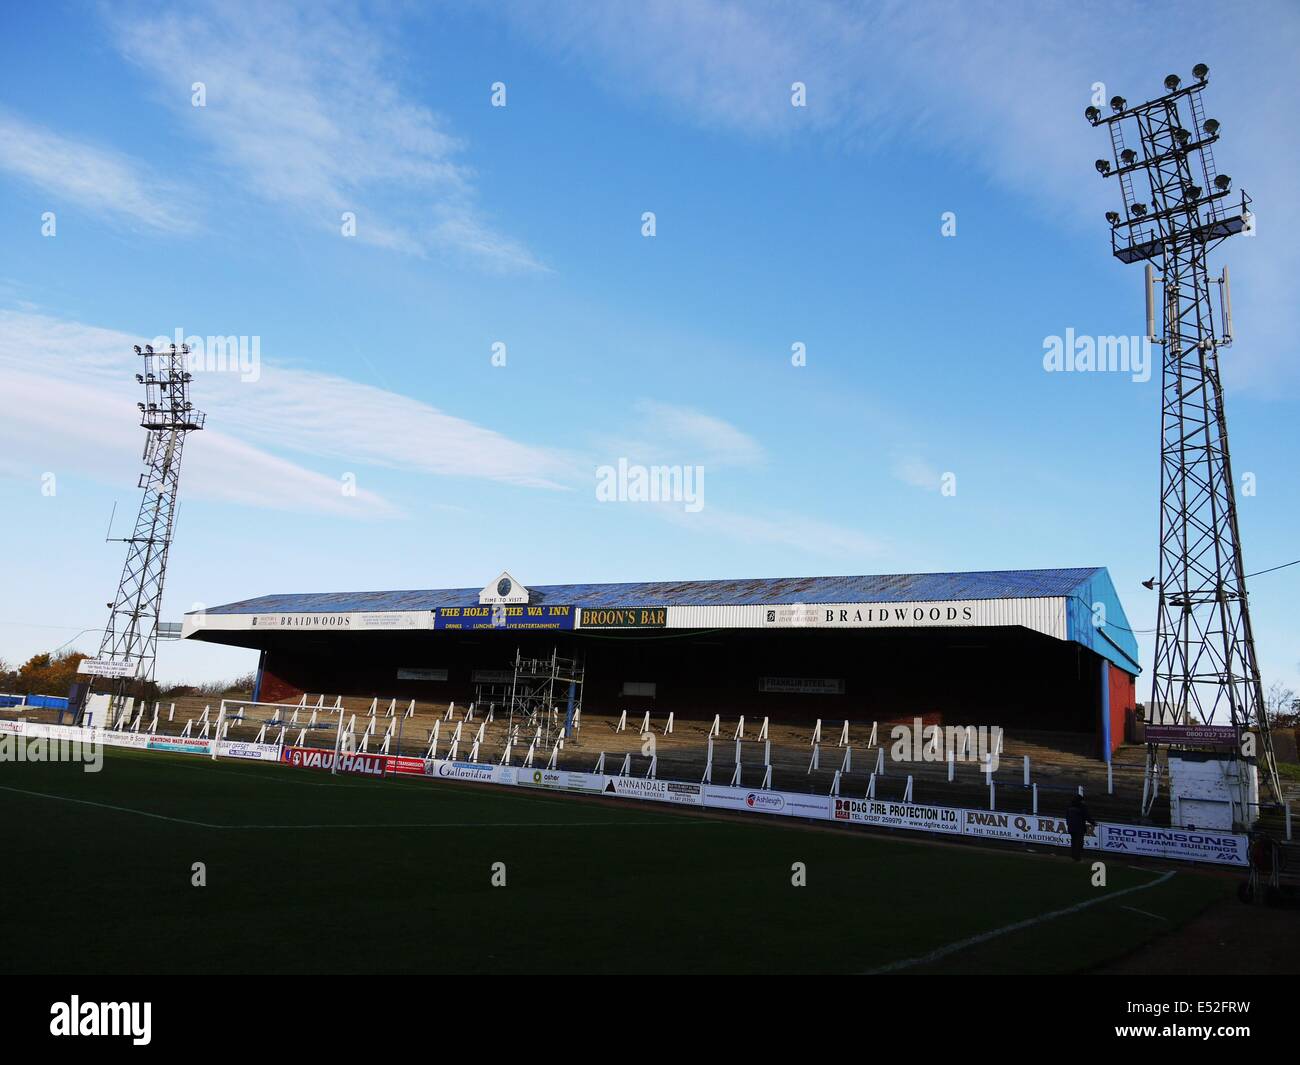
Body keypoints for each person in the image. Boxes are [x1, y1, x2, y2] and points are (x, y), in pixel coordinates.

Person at [1065, 793, 1094, 862]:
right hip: (1079, 827)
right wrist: (1093, 823)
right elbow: (1087, 816)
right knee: (1079, 843)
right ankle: (1077, 857)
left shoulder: (1069, 807)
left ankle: (1074, 855)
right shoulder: (1082, 807)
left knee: (1074, 842)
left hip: (1071, 827)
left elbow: (1067, 816)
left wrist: (1068, 824)